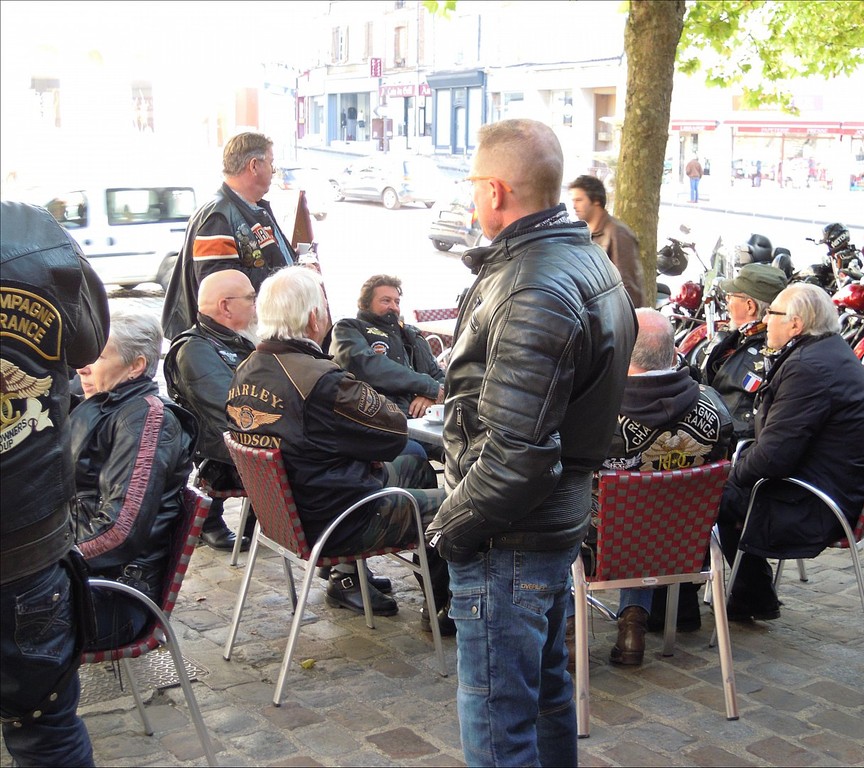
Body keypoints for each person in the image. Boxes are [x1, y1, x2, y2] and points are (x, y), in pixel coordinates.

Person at [424, 118, 636, 766]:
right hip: (542, 526)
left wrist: (450, 528)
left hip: (510, 536)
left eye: (473, 185)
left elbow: (518, 455)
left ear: (494, 190)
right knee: (543, 699)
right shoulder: (576, 259)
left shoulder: (535, 282)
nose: (471, 198)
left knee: (501, 722)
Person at [225, 266, 452, 633]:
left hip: (289, 514)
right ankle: (445, 609)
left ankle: (374, 580)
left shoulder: (247, 368)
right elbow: (393, 433)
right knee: (454, 507)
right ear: (314, 319)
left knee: (415, 465)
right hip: (340, 520)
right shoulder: (321, 380)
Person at [1, 201, 108, 767]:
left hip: (30, 541)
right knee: (44, 729)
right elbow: (89, 340)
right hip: (27, 540)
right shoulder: (30, 232)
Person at [569, 308, 732, 668]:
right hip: (680, 545)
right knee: (645, 512)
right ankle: (633, 627)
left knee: (557, 512)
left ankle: (568, 633)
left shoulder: (595, 413)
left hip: (598, 549)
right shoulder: (715, 408)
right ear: (674, 355)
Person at [717, 283, 864, 621]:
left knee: (707, 496)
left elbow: (774, 457)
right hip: (840, 486)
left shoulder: (808, 367)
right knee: (727, 488)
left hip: (819, 503)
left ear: (796, 324)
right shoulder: (831, 350)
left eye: (772, 314)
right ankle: (750, 595)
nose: (765, 320)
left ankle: (689, 604)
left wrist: (731, 475)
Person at [71, 312, 197, 650]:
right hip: (81, 578)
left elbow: (120, 531)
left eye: (97, 357)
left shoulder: (146, 419)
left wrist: (49, 562)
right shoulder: (100, 402)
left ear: (135, 366)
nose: (82, 368)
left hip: (114, 597)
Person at [162, 131, 295, 339]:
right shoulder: (218, 217)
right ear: (254, 166)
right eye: (271, 163)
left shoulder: (250, 208)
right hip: (232, 341)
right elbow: (221, 291)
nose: (273, 171)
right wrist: (288, 281)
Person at [164, 270, 258, 551]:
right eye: (251, 298)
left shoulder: (237, 339)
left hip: (244, 440)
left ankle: (260, 519)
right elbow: (230, 410)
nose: (256, 305)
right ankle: (209, 520)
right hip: (223, 451)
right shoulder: (195, 349)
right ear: (225, 306)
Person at [329, 274, 445, 420]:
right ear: (365, 304)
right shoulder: (348, 328)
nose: (394, 307)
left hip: (426, 420)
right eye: (386, 300)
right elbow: (368, 367)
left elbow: (440, 377)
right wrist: (429, 387)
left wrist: (433, 397)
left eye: (397, 302)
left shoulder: (412, 335)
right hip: (380, 421)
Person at [700, 263, 788, 452]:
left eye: (731, 295)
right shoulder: (739, 335)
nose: (727, 300)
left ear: (750, 306)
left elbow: (742, 421)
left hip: (728, 446)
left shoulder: (770, 352)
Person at [567, 174, 643, 306]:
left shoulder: (618, 233)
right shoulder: (584, 233)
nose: (574, 206)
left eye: (579, 200)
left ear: (596, 201)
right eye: (573, 200)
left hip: (611, 314)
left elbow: (628, 287)